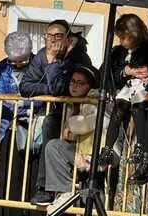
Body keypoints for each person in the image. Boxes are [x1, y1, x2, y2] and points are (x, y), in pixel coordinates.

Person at [21, 19, 93, 201]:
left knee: (51, 123)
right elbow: (25, 86)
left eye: (58, 36)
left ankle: (49, 187)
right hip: (56, 111)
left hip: (78, 113)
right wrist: (46, 89)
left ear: (68, 38)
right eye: (49, 36)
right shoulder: (41, 56)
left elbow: (60, 88)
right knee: (50, 122)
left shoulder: (79, 57)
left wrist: (52, 62)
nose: (52, 40)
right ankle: (44, 187)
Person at [97, 13, 148, 185]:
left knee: (138, 109)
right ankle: (107, 149)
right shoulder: (117, 52)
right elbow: (106, 73)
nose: (122, 41)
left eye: (125, 38)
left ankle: (141, 147)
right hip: (127, 88)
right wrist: (124, 72)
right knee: (118, 111)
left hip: (143, 88)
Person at [30, 65, 100, 208]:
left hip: (93, 153)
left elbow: (90, 123)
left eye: (81, 83)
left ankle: (65, 192)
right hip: (76, 150)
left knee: (55, 146)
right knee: (53, 146)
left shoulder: (94, 99)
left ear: (90, 85)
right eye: (73, 81)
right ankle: (63, 192)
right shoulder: (69, 103)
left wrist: (70, 126)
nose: (75, 86)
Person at [0, 32, 34, 216]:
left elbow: (40, 96)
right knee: (7, 176)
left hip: (30, 129)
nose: (17, 65)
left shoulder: (38, 65)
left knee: (26, 176)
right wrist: (16, 103)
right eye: (14, 61)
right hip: (5, 128)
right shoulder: (1, 67)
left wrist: (22, 104)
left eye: (22, 61)